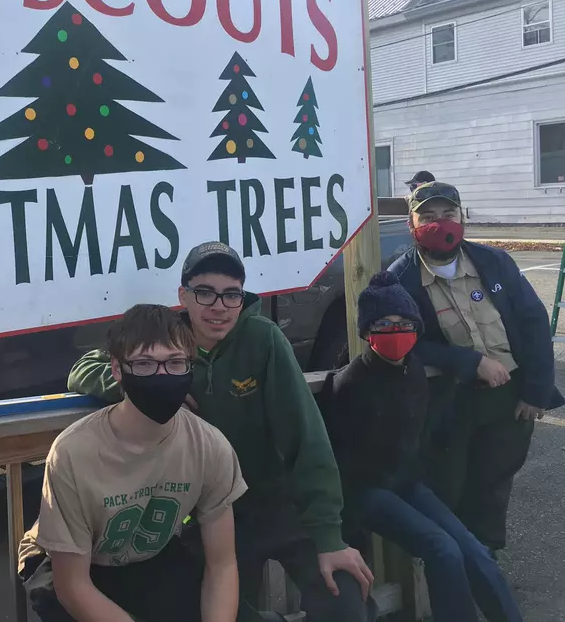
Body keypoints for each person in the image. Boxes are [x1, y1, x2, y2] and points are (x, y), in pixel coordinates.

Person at [68, 242, 376, 622]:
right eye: (205, 292)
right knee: (217, 608)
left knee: (345, 599)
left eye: (231, 294)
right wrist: (150, 388)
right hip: (208, 514)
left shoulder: (263, 340)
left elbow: (307, 438)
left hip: (277, 502)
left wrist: (330, 538)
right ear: (183, 295)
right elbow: (84, 366)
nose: (218, 306)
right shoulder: (168, 344)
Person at [18, 304, 247, 622]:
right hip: (60, 560)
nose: (162, 375)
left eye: (175, 362)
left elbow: (221, 565)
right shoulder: (73, 452)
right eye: (144, 364)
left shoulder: (210, 446)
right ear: (116, 370)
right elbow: (72, 585)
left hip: (147, 553)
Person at [323, 271, 523, 622]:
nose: (395, 331)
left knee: (473, 549)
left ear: (417, 328)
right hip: (365, 490)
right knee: (442, 548)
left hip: (407, 481)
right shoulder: (349, 384)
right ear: (367, 332)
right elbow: (336, 461)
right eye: (383, 323)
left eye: (404, 323)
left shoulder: (414, 368)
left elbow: (445, 361)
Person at [388, 182, 564, 552]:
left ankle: (485, 560)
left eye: (448, 215)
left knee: (494, 482)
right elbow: (405, 343)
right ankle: (452, 560)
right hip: (449, 400)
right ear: (412, 224)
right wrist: (468, 362)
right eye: (428, 217)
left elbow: (533, 323)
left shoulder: (494, 262)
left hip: (509, 395)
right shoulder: (400, 279)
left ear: (461, 217)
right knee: (448, 484)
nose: (440, 224)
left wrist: (536, 391)